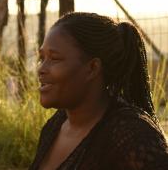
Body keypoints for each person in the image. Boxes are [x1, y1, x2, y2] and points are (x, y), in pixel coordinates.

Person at [30, 12, 168, 170]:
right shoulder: (56, 125)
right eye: (42, 58)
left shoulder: (133, 138)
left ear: (92, 68)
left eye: (55, 58)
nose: (41, 69)